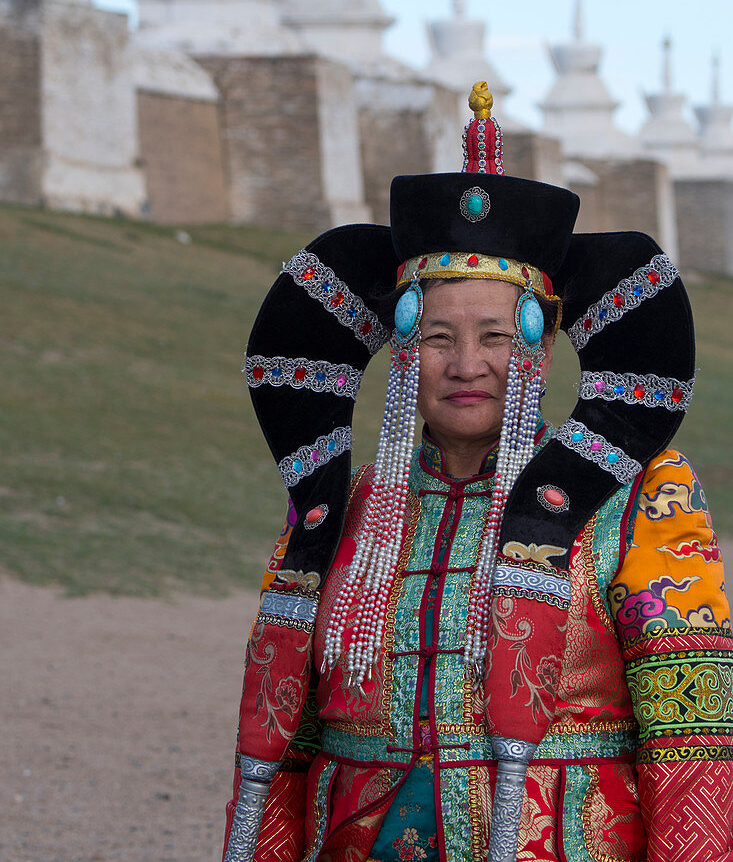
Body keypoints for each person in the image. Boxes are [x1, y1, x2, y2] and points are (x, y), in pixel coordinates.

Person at [222, 84, 733, 862]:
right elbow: (287, 744)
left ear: (537, 345)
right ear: (399, 347)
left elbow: (691, 733)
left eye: (495, 335)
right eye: (435, 337)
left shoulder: (639, 502)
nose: (467, 366)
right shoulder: (341, 511)